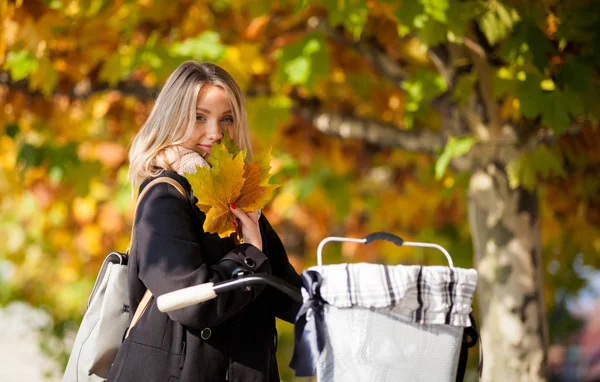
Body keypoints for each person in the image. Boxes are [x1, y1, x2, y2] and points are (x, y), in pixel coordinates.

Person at [108, 61, 302, 382]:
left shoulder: (239, 201)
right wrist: (250, 254)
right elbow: (190, 302)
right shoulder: (165, 197)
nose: (215, 133)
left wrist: (353, 296)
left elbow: (289, 294)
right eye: (199, 117)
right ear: (174, 118)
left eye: (226, 119)